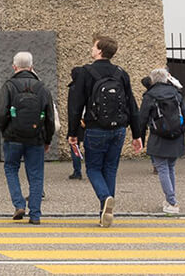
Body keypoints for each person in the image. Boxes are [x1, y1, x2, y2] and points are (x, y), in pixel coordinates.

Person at [67, 35, 142, 227]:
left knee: (93, 168)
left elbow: (75, 106)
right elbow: (132, 105)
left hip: (95, 128)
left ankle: (105, 197)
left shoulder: (85, 72)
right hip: (119, 129)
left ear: (100, 50)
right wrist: (137, 134)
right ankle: (105, 213)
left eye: (94, 46)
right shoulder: (121, 73)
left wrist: (72, 133)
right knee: (110, 168)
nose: (91, 49)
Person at [0, 51, 55, 224]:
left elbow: (1, 113)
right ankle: (35, 214)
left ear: (14, 67)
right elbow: (50, 117)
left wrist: (4, 131)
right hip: (36, 138)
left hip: (13, 137)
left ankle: (19, 204)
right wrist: (47, 139)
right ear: (31, 67)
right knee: (36, 175)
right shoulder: (42, 87)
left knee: (11, 169)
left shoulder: (9, 86)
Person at [139, 68, 185, 214]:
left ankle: (172, 202)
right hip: (176, 136)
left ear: (152, 80)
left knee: (162, 168)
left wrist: (139, 139)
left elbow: (142, 120)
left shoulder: (150, 95)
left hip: (158, 137)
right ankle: (170, 199)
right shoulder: (176, 94)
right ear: (166, 79)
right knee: (170, 167)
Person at [68, 66, 86, 180]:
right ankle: (92, 169)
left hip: (76, 121)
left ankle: (77, 171)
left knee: (74, 145)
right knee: (89, 146)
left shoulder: (73, 88)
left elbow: (73, 108)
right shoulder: (87, 87)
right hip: (87, 120)